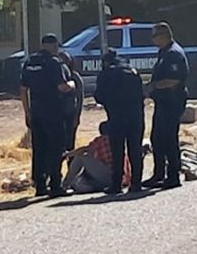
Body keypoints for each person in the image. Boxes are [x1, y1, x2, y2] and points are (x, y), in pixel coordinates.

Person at [20, 34, 76, 197]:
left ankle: (39, 184)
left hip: (36, 111)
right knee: (56, 147)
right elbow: (62, 87)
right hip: (53, 111)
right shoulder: (54, 62)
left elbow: (23, 90)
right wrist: (72, 83)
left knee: (39, 149)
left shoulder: (30, 62)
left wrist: (27, 112)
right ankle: (55, 185)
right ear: (53, 46)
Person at [142, 22, 189, 190]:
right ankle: (158, 174)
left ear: (164, 35)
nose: (153, 39)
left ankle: (173, 176)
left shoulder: (174, 54)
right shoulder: (163, 52)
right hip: (162, 103)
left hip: (172, 101)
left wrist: (154, 86)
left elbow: (174, 80)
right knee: (157, 138)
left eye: (155, 36)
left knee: (169, 139)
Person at [95, 49, 145, 194]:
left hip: (117, 116)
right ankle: (136, 183)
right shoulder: (132, 70)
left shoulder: (107, 73)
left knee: (118, 151)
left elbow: (99, 96)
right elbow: (141, 93)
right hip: (136, 116)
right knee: (135, 150)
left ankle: (116, 184)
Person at [61, 122, 131, 194]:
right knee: (83, 182)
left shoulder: (101, 140)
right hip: (120, 178)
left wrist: (68, 154)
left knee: (81, 157)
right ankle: (92, 186)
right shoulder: (118, 141)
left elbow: (84, 150)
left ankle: (65, 185)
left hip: (108, 174)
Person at [58, 51, 84, 171]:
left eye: (66, 60)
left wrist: (77, 117)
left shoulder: (75, 77)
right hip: (58, 117)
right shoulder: (55, 77)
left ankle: (71, 172)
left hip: (70, 115)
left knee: (70, 145)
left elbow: (80, 99)